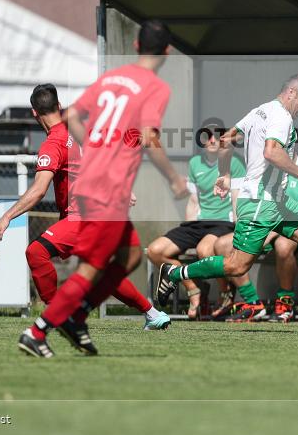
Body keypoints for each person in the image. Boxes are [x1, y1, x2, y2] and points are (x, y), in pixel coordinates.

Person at [18, 20, 189, 358]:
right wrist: (173, 178)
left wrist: (96, 153)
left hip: (97, 186)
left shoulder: (111, 79)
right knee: (92, 268)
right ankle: (40, 331)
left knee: (130, 256)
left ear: (137, 47)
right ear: (167, 52)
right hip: (106, 189)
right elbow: (150, 138)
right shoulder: (155, 88)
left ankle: (77, 318)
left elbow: (74, 117)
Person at [154, 74, 298, 326]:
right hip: (259, 202)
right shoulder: (281, 117)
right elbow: (272, 152)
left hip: (278, 201)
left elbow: (225, 140)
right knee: (236, 266)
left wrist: (225, 174)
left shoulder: (260, 111)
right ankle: (175, 272)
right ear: (291, 93)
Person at [0, 84, 169, 355]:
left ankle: (54, 317)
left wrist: (6, 217)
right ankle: (153, 313)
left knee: (36, 252)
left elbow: (39, 191)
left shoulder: (54, 142)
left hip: (84, 217)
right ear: (59, 106)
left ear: (34, 113)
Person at [146, 117, 245, 320]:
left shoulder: (234, 162)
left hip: (224, 223)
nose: (211, 140)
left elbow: (238, 197)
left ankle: (225, 293)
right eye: (207, 136)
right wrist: (188, 229)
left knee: (204, 250)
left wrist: (239, 227)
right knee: (155, 251)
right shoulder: (195, 163)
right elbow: (193, 201)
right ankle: (194, 289)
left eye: (217, 136)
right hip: (199, 224)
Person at [212, 151, 298, 322]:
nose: (275, 147)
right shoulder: (264, 165)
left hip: (295, 227)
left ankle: (285, 302)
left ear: (294, 145)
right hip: (264, 224)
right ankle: (253, 303)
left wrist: (270, 233)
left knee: (283, 246)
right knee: (222, 245)